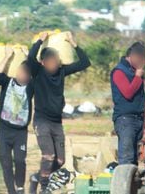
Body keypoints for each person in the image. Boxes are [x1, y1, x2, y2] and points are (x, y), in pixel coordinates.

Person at [28, 32, 91, 194]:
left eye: (55, 61)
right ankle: (44, 187)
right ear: (42, 63)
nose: (53, 64)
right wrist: (40, 40)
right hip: (41, 121)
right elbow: (30, 58)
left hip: (57, 122)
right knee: (48, 156)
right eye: (50, 61)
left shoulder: (62, 71)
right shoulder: (37, 72)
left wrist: (72, 42)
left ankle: (37, 177)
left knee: (60, 160)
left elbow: (85, 62)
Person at [0, 46, 34, 194]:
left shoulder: (30, 87)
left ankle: (20, 187)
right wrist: (7, 56)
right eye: (20, 71)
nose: (21, 75)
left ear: (29, 76)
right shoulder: (7, 82)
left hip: (20, 132)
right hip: (4, 129)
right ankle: (11, 190)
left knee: (19, 160)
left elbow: (40, 75)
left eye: (25, 73)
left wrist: (29, 55)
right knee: (5, 162)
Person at [110, 42, 145, 165]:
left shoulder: (134, 71)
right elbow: (128, 92)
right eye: (141, 59)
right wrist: (137, 77)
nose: (142, 62)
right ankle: (124, 182)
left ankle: (133, 183)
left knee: (135, 158)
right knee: (126, 158)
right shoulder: (119, 72)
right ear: (132, 56)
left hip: (139, 119)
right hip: (126, 120)